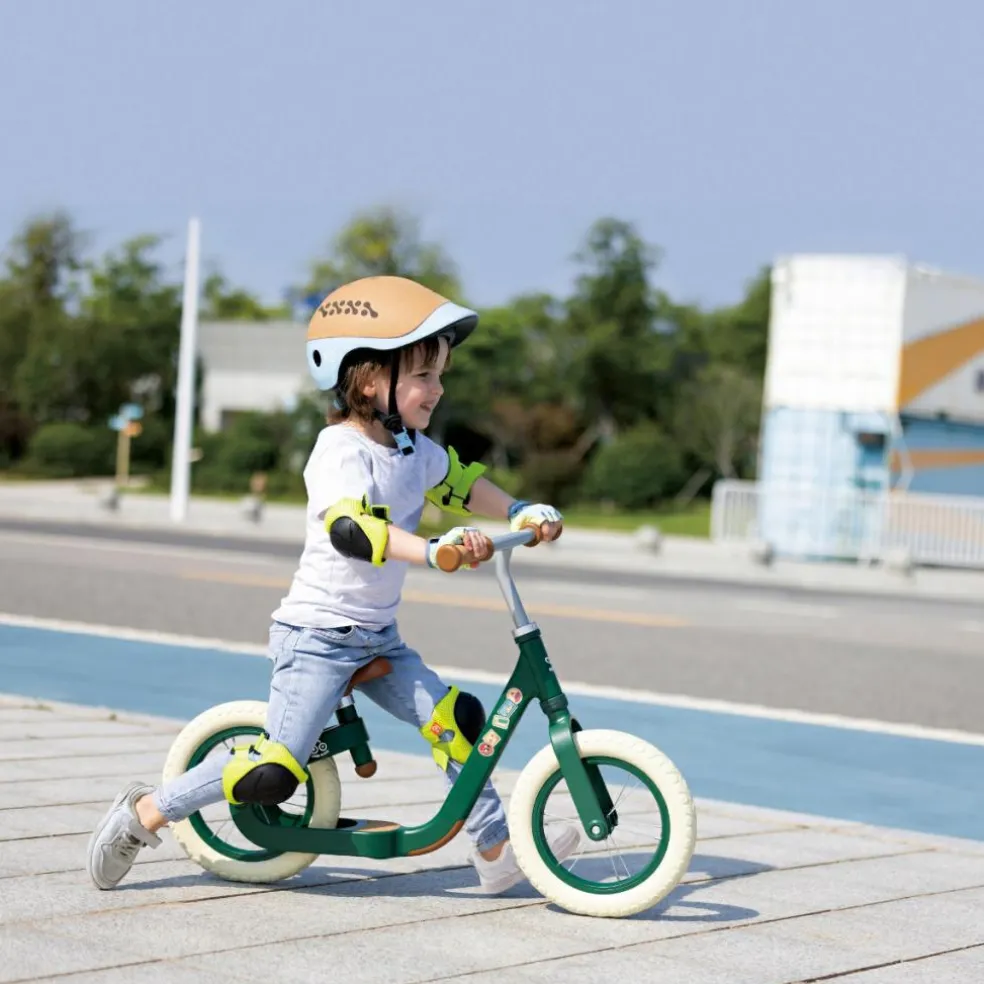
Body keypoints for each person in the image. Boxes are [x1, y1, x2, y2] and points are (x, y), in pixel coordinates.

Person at [87, 275, 578, 894]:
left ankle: (494, 848)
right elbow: (353, 529)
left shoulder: (412, 449)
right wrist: (433, 550)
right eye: (423, 374)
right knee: (273, 771)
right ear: (369, 380)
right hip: (316, 638)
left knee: (457, 722)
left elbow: (461, 483)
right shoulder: (339, 450)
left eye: (440, 374)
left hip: (378, 637)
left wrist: (517, 510)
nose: (437, 388)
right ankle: (144, 813)